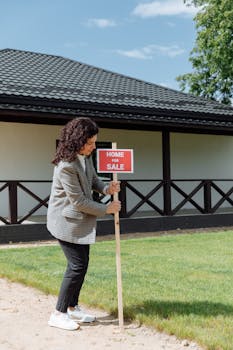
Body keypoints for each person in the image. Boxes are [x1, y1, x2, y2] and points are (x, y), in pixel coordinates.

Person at [47, 117, 121, 331]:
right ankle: (58, 313)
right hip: (66, 221)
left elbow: (93, 179)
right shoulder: (65, 166)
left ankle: (72, 307)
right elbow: (78, 201)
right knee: (76, 266)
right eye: (90, 143)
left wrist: (106, 189)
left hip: (79, 220)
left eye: (94, 142)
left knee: (83, 264)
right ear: (78, 140)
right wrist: (106, 209)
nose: (93, 146)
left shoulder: (84, 157)